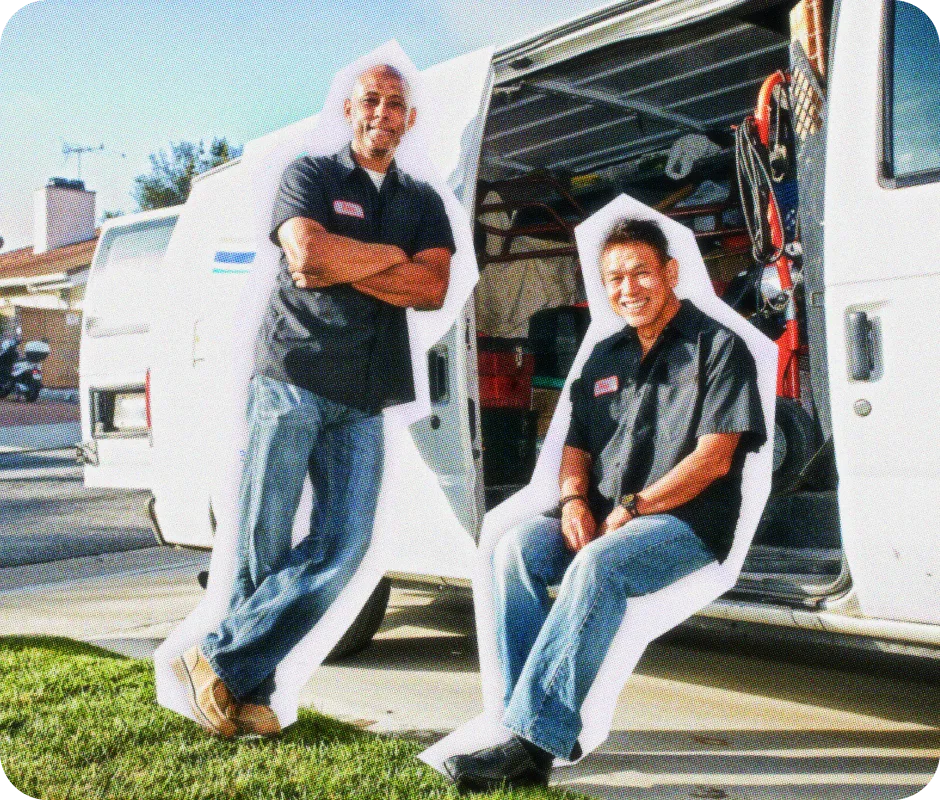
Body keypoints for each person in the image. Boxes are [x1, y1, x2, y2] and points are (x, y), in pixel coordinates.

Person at [172, 63, 455, 739]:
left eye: (395, 104)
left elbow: (434, 289)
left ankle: (214, 661)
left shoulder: (425, 200)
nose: (382, 113)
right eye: (370, 101)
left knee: (345, 545)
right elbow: (306, 260)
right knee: (264, 545)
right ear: (349, 110)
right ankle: (246, 694)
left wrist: (352, 258)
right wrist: (392, 256)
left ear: (409, 119)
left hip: (365, 391)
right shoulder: (311, 176)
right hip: (291, 375)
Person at [445, 218, 765, 791]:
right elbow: (575, 447)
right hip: (607, 516)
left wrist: (638, 506)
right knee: (514, 548)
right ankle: (531, 733)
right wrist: (572, 500)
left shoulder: (718, 347)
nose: (627, 288)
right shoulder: (603, 356)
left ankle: (529, 742)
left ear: (670, 272)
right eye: (614, 277)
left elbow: (716, 457)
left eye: (641, 272)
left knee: (598, 566)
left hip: (685, 523)